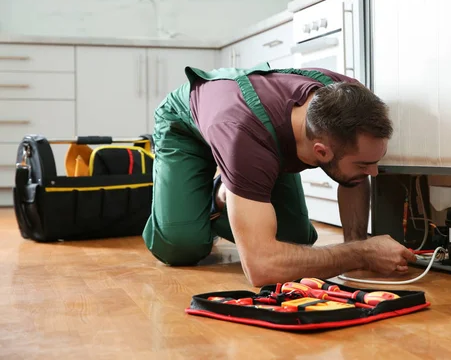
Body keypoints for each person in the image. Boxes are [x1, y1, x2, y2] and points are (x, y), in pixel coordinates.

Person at [142, 62, 416, 286]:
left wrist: (354, 244)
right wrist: (362, 254)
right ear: (320, 151)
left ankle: (238, 185)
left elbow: (352, 175)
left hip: (257, 137)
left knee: (295, 242)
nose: (374, 173)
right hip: (186, 123)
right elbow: (262, 269)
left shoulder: (354, 104)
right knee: (181, 244)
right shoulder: (245, 139)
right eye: (364, 165)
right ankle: (222, 193)